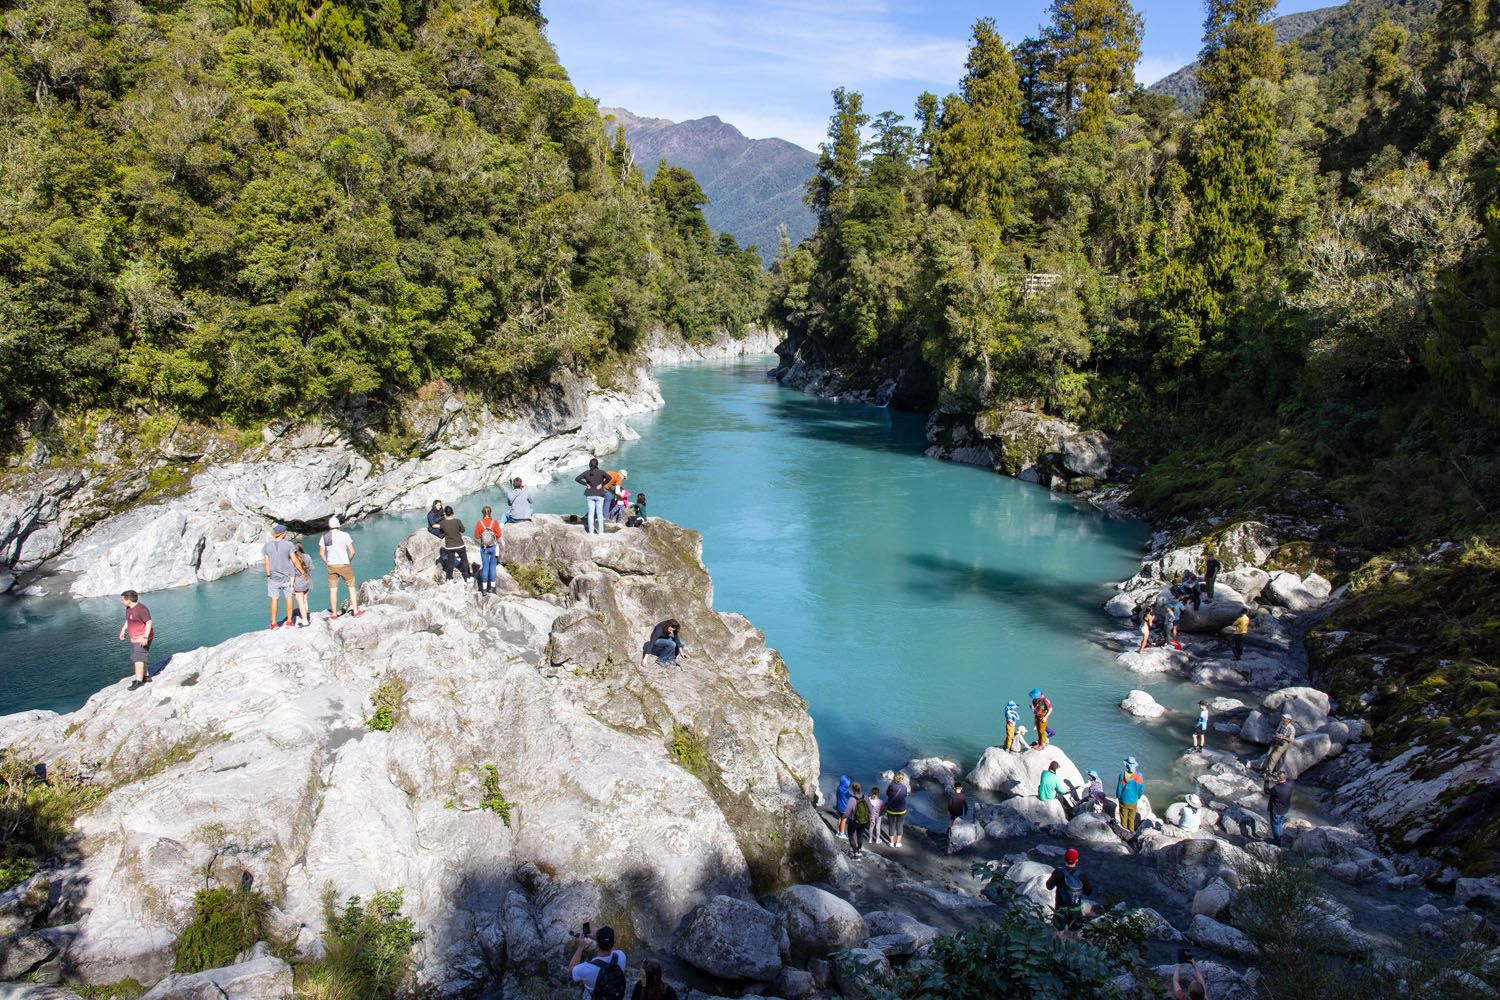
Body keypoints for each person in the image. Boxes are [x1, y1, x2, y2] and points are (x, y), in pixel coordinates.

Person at [319, 517, 363, 619]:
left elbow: (321, 554)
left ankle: (334, 614)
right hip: (344, 564)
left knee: (333, 590)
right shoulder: (345, 535)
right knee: (351, 588)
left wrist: (327, 563)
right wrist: (348, 560)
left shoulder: (325, 537)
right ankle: (355, 611)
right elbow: (352, 551)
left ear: (329, 525)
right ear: (338, 525)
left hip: (331, 566)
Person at [569, 925, 626, 1000]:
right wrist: (599, 938)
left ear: (597, 945)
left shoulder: (587, 969)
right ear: (613, 943)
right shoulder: (621, 956)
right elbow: (610, 948)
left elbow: (571, 969)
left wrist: (580, 947)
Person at [1045, 848, 1092, 936]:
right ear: (1077, 860)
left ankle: (1059, 949)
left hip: (1060, 910)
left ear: (1065, 858)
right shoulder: (1081, 874)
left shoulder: (1058, 872)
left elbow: (1049, 886)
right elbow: (1088, 892)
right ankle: (1072, 949)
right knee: (1074, 936)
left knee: (1058, 934)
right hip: (1076, 911)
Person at [262, 524, 297, 630]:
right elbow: (294, 560)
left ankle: (274, 623)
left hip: (273, 578)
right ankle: (289, 622)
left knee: (274, 599)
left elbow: (267, 563)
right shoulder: (289, 545)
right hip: (286, 577)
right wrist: (302, 572)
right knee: (289, 598)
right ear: (284, 533)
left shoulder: (267, 546)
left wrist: (268, 575)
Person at [118, 590, 154, 690]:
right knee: (138, 656)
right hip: (134, 638)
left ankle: (139, 681)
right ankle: (146, 677)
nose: (121, 601)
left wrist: (145, 637)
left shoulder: (141, 609)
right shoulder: (129, 608)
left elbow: (149, 622)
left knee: (138, 659)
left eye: (122, 599)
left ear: (128, 600)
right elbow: (128, 620)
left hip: (142, 638)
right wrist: (123, 629)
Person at [434, 506, 471, 582]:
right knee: (464, 560)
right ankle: (467, 577)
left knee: (451, 562)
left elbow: (441, 532)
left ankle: (449, 578)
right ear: (453, 513)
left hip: (449, 546)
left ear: (444, 513)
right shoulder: (457, 521)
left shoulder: (442, 523)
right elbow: (463, 530)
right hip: (460, 544)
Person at [473, 506, 503, 594]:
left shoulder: (479, 523)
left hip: (484, 548)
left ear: (482, 513)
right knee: (492, 567)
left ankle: (484, 589)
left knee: (485, 568)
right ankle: (493, 588)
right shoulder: (495, 522)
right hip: (493, 547)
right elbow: (499, 534)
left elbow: (476, 536)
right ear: (491, 512)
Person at [576, 458, 610, 534]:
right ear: (597, 464)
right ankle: (600, 532)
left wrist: (586, 484)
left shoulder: (586, 473)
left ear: (589, 465)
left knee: (591, 513)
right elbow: (609, 478)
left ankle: (591, 532)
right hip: (600, 494)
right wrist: (602, 484)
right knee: (599, 514)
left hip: (590, 495)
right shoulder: (601, 472)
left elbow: (577, 479)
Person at [1116, 757, 1145, 834]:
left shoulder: (1122, 776)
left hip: (1123, 800)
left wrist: (1118, 797)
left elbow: (1119, 789)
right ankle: (1132, 832)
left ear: (1127, 765)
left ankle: (1123, 832)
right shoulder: (1139, 776)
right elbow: (1141, 790)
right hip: (1133, 801)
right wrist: (1137, 796)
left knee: (1123, 817)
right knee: (1132, 818)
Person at [1266, 770, 1293, 845]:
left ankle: (1277, 842)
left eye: (1277, 776)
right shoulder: (1289, 785)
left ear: (1278, 778)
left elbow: (1267, 791)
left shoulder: (1277, 788)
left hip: (1276, 810)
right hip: (1284, 809)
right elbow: (1281, 784)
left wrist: (1266, 781)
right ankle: (1281, 838)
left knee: (1275, 826)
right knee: (1280, 823)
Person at [289, 543, 312, 626]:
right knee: (305, 599)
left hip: (298, 583)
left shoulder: (292, 560)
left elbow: (292, 575)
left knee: (300, 602)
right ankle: (306, 615)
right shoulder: (308, 556)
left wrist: (291, 586)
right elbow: (310, 568)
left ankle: (305, 621)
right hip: (307, 580)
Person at [846, 781, 871, 858]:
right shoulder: (866, 797)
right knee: (860, 835)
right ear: (860, 788)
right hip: (863, 821)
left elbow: (847, 812)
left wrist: (845, 818)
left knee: (850, 835)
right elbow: (871, 809)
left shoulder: (851, 799)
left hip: (853, 821)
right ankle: (859, 849)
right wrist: (872, 819)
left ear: (852, 789)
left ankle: (855, 851)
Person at [884, 773, 909, 849]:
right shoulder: (904, 787)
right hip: (901, 810)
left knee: (891, 825)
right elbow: (905, 795)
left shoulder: (890, 786)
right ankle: (898, 843)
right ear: (902, 779)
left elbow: (888, 794)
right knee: (900, 825)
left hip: (891, 810)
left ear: (894, 778)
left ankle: (891, 843)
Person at [834, 775, 852, 839]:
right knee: (844, 820)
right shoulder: (844, 791)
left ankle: (838, 832)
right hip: (844, 808)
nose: (849, 785)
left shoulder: (839, 788)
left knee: (840, 818)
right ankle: (842, 833)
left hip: (839, 807)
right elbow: (849, 796)